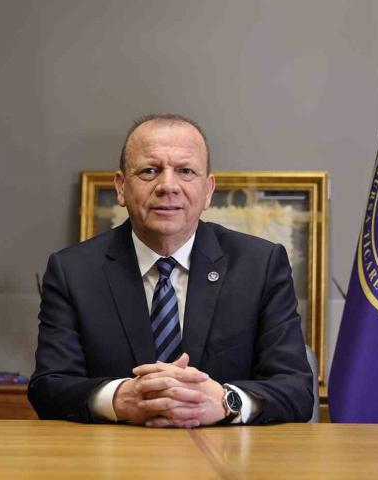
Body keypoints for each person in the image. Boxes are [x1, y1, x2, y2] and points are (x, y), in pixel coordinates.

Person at [28, 114, 313, 426]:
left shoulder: (260, 265)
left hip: (224, 452)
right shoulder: (73, 271)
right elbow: (48, 387)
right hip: (115, 452)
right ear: (121, 187)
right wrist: (119, 398)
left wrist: (224, 401)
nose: (167, 186)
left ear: (208, 190)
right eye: (149, 171)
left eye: (185, 171)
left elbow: (295, 389)